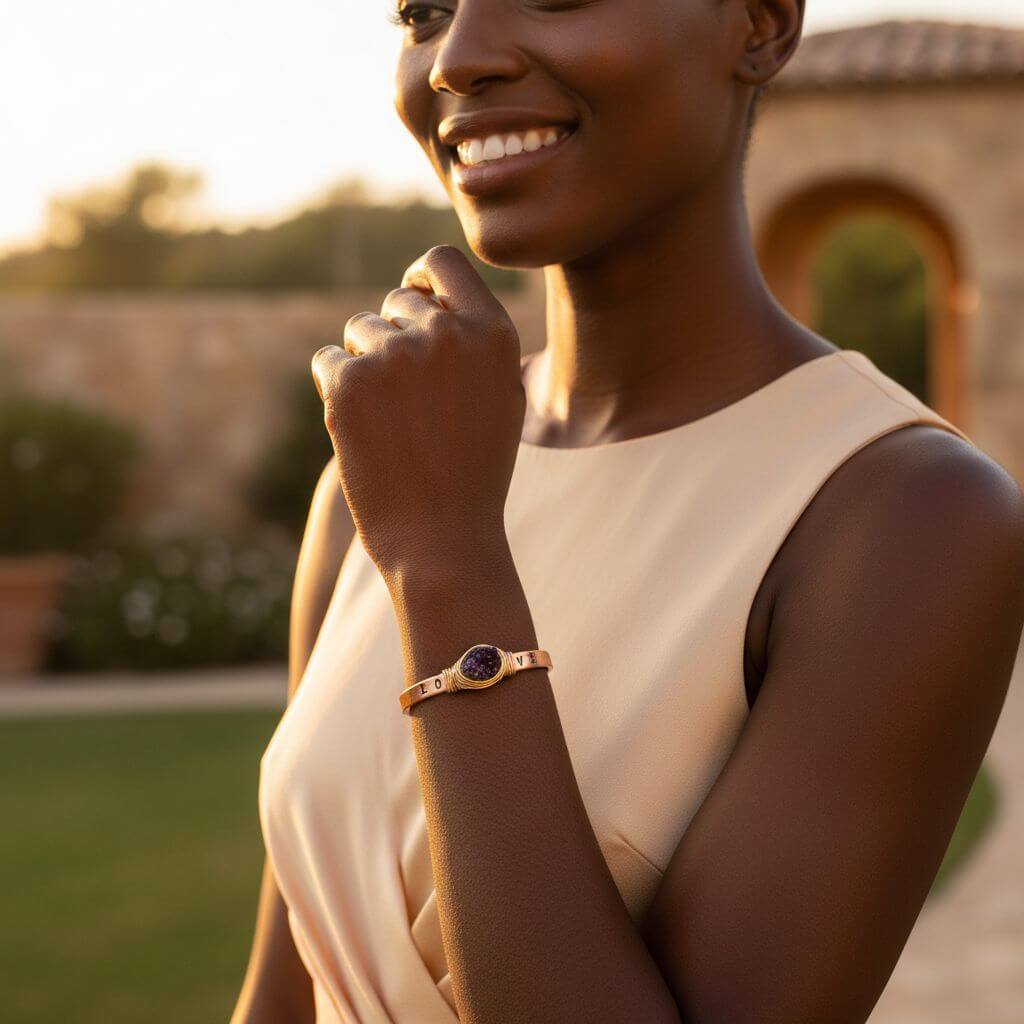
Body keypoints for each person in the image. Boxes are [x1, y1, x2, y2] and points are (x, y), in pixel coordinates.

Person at [232, 2, 1024, 1022]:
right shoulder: (379, 477)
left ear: (758, 25)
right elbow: (284, 989)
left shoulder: (903, 516)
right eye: (424, 11)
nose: (457, 60)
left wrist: (448, 567)